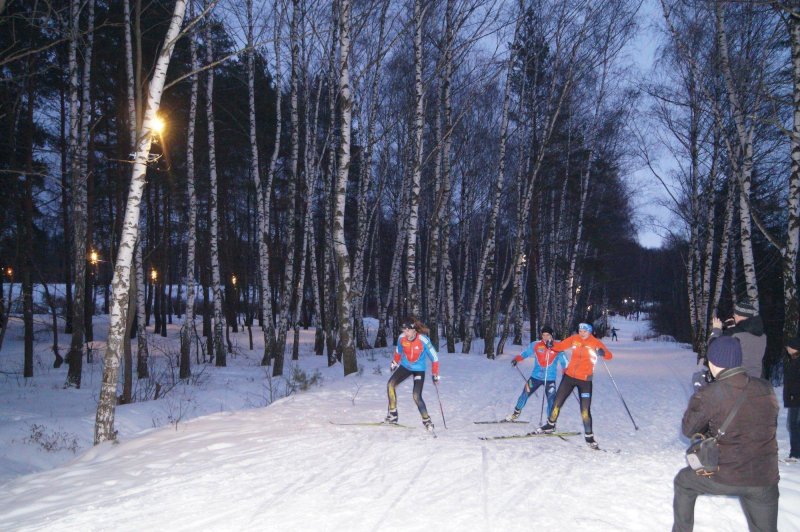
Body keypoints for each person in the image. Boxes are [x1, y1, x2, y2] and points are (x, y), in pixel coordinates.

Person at [673, 336, 779, 531]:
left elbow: (689, 429)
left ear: (714, 363)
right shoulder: (766, 388)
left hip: (726, 476)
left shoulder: (710, 393)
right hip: (765, 478)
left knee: (683, 482)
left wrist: (699, 393)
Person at [536, 322, 613, 449]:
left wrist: (602, 352)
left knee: (584, 410)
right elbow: (560, 346)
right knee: (557, 402)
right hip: (569, 377)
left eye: (585, 331)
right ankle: (550, 425)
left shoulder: (595, 342)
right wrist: (552, 345)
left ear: (590, 331)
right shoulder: (574, 339)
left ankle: (589, 437)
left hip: (585, 381)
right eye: (580, 331)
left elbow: (609, 356)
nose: (582, 333)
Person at [385, 317, 440, 431]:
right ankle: (393, 415)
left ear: (414, 330)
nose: (405, 333)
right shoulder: (401, 338)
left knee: (416, 395)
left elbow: (434, 357)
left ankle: (427, 421)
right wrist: (395, 362)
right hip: (405, 366)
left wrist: (435, 374)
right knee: (390, 384)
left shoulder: (423, 340)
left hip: (419, 369)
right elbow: (398, 351)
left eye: (408, 330)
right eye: (404, 330)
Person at [504, 325, 568, 421]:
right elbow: (526, 353)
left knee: (551, 401)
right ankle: (515, 414)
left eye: (548, 335)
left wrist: (566, 370)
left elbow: (564, 361)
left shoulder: (558, 347)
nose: (545, 337)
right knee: (524, 394)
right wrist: (517, 359)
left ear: (552, 335)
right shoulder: (536, 345)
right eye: (543, 335)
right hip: (535, 378)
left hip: (549, 379)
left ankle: (550, 422)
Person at [709, 300, 766, 378]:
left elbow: (714, 350)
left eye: (735, 314)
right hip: (756, 380)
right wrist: (735, 328)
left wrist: (716, 330)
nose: (734, 316)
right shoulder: (762, 336)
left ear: (740, 315)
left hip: (737, 381)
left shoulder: (734, 334)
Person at [783, 336, 800, 462]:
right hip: (793, 398)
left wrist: (793, 395)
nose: (787, 348)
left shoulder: (796, 362)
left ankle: (795, 453)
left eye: (789, 346)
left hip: (796, 399)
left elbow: (794, 382)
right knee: (793, 425)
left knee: (793, 425)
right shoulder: (793, 360)